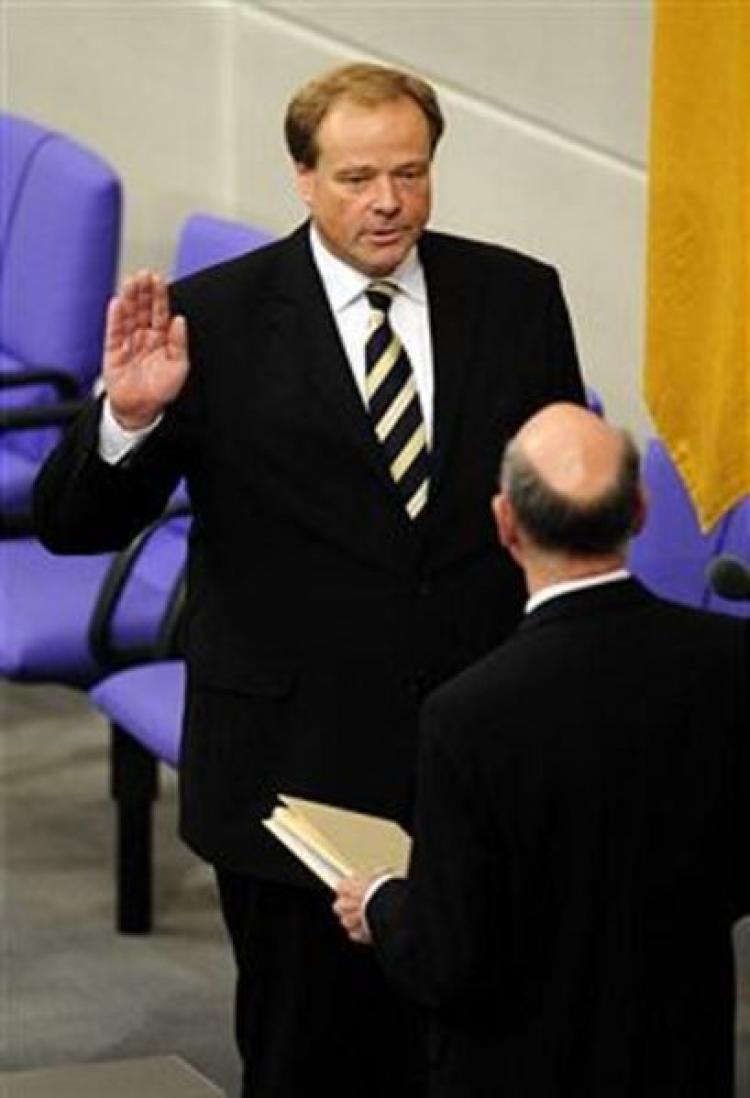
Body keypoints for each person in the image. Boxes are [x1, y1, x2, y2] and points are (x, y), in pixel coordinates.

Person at [33, 63, 585, 1098]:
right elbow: (74, 524)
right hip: (297, 770)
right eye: (358, 176)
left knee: (483, 1051)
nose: (388, 202)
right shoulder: (215, 319)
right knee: (312, 1060)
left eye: (411, 175)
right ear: (302, 177)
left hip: (474, 757)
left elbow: (552, 508)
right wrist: (132, 419)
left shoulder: (516, 296)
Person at [334, 402, 750, 1098]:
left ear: (505, 524)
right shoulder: (730, 660)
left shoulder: (467, 716)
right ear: (641, 511)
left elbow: (450, 960)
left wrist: (381, 902)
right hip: (682, 1055)